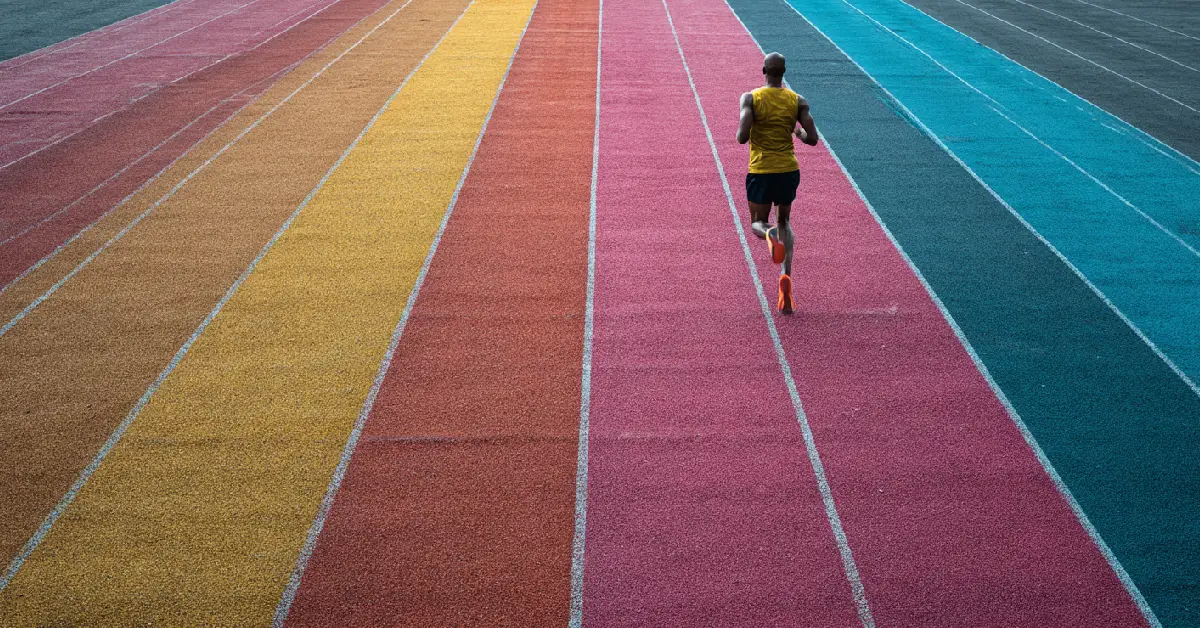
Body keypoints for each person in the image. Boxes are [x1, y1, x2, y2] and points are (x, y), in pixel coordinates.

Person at [737, 52, 818, 314]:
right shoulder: (797, 101)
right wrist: (795, 130)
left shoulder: (752, 98)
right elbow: (811, 138)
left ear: (764, 70)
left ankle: (769, 236)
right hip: (787, 170)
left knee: (758, 223)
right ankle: (787, 278)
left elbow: (741, 136)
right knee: (784, 221)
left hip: (761, 170)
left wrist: (754, 123)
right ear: (784, 72)